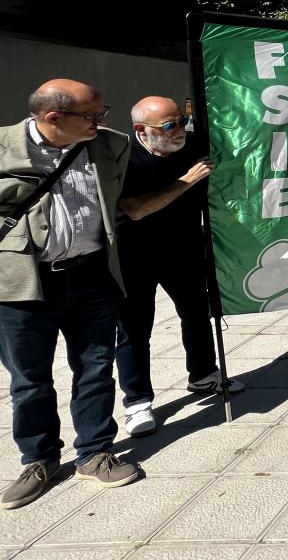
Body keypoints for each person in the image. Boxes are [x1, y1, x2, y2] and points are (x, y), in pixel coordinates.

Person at [0, 80, 141, 510]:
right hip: (23, 283)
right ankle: (39, 460)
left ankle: (95, 452)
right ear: (53, 118)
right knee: (29, 378)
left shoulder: (110, 145)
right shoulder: (4, 146)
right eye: (93, 115)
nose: (102, 121)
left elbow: (119, 202)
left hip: (92, 275)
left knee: (96, 368)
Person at [115, 96, 245, 437]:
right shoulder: (126, 158)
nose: (179, 131)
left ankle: (203, 374)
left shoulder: (189, 146)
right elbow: (136, 209)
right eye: (170, 126)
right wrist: (186, 181)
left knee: (196, 313)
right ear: (142, 130)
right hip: (135, 254)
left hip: (184, 249)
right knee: (134, 329)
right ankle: (137, 401)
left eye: (181, 122)